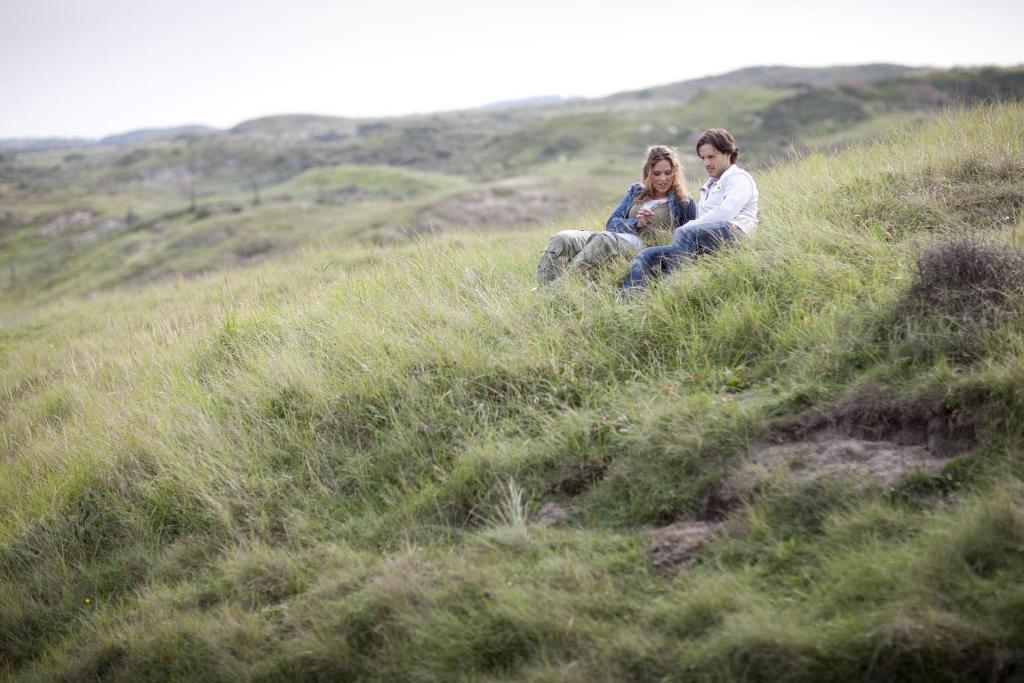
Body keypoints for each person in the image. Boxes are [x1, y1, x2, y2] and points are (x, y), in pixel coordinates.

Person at [620, 128, 758, 294]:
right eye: (703, 158)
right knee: (647, 255)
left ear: (728, 154)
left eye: (711, 157)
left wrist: (688, 227)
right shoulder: (709, 186)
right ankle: (628, 301)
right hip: (704, 239)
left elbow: (725, 213)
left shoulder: (739, 178)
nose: (707, 163)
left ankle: (673, 290)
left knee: (685, 232)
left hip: (736, 233)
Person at [535, 145, 696, 284]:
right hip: (612, 238)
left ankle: (559, 289)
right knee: (562, 238)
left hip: (640, 249)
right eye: (657, 173)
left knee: (603, 240)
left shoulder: (683, 202)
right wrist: (637, 223)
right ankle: (542, 289)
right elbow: (611, 223)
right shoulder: (636, 191)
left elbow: (686, 242)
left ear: (675, 173)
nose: (663, 178)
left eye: (668, 173)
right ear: (648, 173)